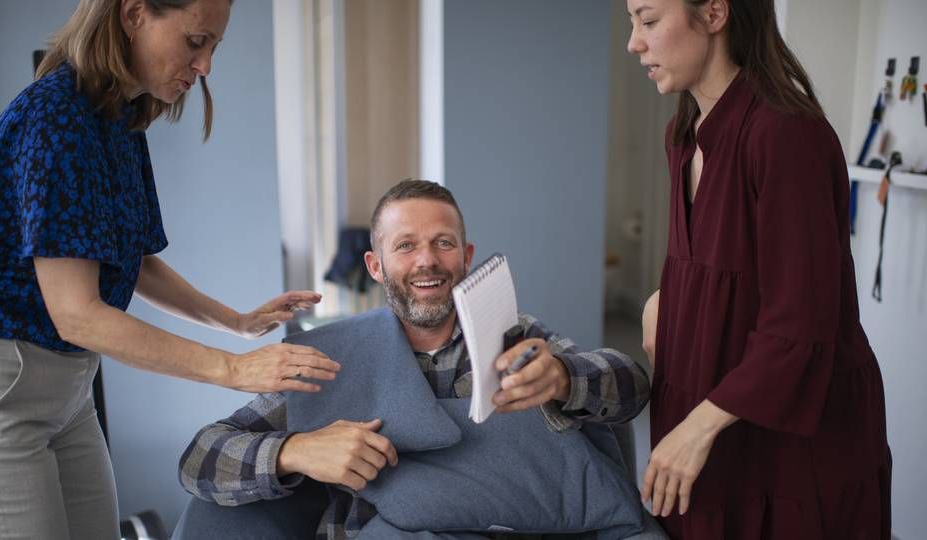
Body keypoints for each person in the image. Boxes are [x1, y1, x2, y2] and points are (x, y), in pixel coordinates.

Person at [0, 1, 339, 538]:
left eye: (213, 47)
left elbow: (133, 260)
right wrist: (232, 370)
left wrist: (235, 321)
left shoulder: (118, 118)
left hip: (71, 389)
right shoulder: (56, 117)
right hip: (6, 389)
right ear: (134, 14)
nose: (206, 65)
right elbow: (77, 315)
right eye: (195, 42)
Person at [177, 180, 655, 539]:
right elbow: (199, 459)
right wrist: (294, 451)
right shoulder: (326, 360)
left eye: (442, 243)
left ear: (466, 257)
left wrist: (566, 379)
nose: (426, 260)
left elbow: (631, 386)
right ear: (376, 265)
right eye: (405, 245)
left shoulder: (519, 340)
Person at [627, 0, 891, 538]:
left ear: (716, 14)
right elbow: (721, 266)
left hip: (790, 441)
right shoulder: (683, 137)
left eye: (648, 20)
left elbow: (801, 323)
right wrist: (662, 298)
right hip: (710, 409)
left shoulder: (787, 135)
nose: (635, 42)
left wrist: (698, 427)